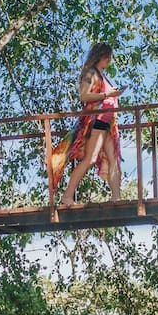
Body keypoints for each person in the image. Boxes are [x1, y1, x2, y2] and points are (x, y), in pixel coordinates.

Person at [59, 43, 123, 205]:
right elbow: (84, 96)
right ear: (99, 56)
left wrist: (112, 94)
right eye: (107, 56)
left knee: (113, 158)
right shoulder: (91, 74)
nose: (109, 60)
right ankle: (67, 196)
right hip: (97, 122)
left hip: (108, 123)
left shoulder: (103, 76)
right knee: (90, 158)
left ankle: (117, 197)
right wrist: (107, 94)